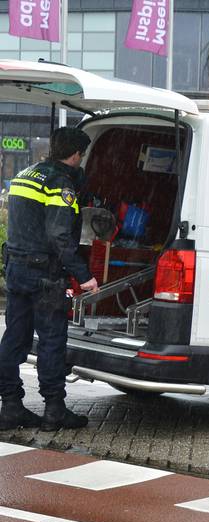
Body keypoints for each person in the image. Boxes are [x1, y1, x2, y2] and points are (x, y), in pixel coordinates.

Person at [0, 127, 99, 431]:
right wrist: (84, 276)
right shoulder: (61, 184)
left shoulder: (25, 175)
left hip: (16, 270)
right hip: (44, 276)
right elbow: (59, 235)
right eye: (81, 156)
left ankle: (11, 406)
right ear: (75, 154)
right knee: (52, 342)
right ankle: (54, 410)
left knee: (13, 340)